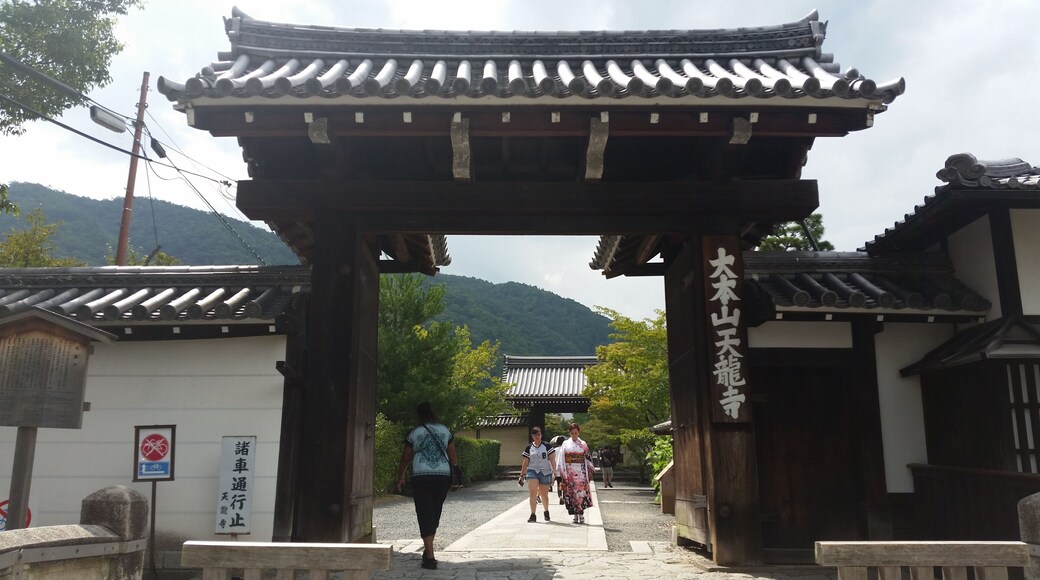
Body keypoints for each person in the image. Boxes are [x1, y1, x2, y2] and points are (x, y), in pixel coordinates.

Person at [396, 402, 458, 570]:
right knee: (435, 511)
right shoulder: (445, 431)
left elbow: (405, 457)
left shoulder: (414, 433)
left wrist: (400, 477)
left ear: (419, 415)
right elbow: (453, 456)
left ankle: (429, 555)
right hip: (442, 476)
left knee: (424, 512)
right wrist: (455, 474)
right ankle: (428, 550)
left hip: (421, 476)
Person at [554, 422, 594, 524]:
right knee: (572, 493)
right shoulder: (565, 444)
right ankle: (575, 514)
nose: (574, 435)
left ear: (578, 432)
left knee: (580, 493)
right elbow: (561, 458)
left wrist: (589, 470)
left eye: (576, 433)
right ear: (569, 433)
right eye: (572, 433)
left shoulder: (583, 444)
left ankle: (581, 514)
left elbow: (588, 458)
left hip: (581, 472)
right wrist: (562, 471)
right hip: (570, 471)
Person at [518, 426, 556, 522]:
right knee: (533, 493)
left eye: (538, 434)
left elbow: (552, 459)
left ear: (541, 435)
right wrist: (522, 474)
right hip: (532, 470)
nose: (537, 436)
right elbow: (525, 461)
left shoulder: (547, 446)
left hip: (545, 471)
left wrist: (554, 472)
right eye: (535, 435)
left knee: (544, 494)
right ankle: (533, 514)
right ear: (532, 436)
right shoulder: (529, 447)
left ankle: (546, 511)